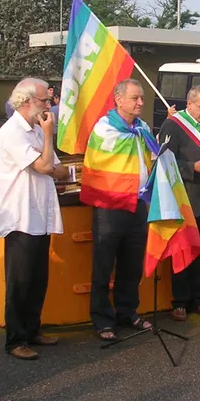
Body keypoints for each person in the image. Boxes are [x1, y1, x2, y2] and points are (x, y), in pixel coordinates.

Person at [0, 78, 69, 360]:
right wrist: (48, 138)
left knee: (38, 278)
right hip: (20, 215)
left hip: (40, 213)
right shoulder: (13, 131)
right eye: (44, 101)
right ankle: (15, 339)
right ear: (26, 102)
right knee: (20, 281)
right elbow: (47, 165)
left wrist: (46, 157)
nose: (48, 106)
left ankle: (33, 329)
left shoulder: (36, 130)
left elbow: (59, 171)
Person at [80, 79, 157, 339]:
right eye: (135, 98)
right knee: (103, 264)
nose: (141, 103)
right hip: (110, 205)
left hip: (136, 203)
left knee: (131, 263)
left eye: (142, 98)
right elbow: (97, 163)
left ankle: (127, 312)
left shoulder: (142, 127)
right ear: (119, 99)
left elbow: (149, 156)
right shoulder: (105, 129)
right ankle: (102, 320)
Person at [158, 84, 200, 320]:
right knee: (183, 249)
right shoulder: (173, 125)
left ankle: (199, 298)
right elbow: (163, 160)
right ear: (190, 103)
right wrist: (190, 168)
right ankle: (180, 300)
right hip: (183, 196)